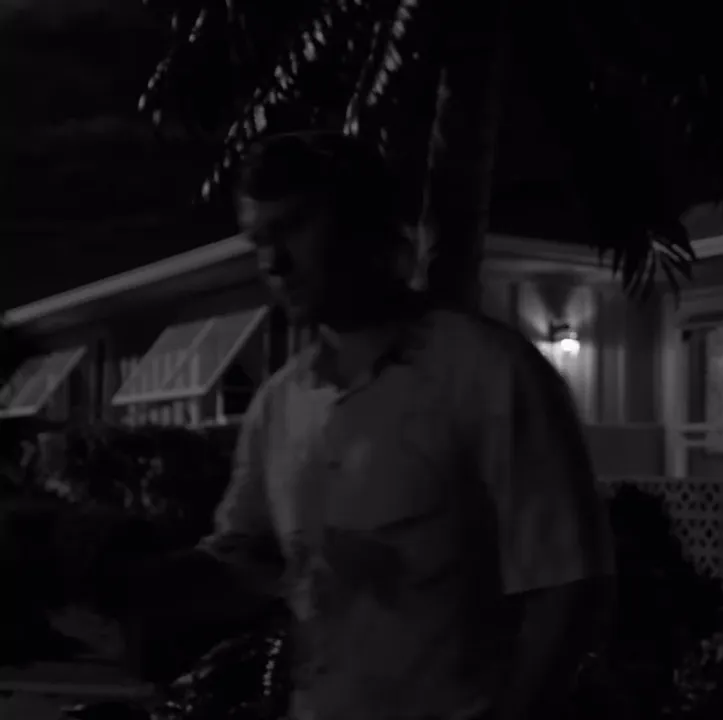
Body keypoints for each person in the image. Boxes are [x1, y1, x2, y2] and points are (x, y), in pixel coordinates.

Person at [145, 131, 615, 720]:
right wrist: (115, 578)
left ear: (362, 225)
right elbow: (242, 559)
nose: (273, 262)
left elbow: (568, 586)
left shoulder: (488, 375)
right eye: (259, 240)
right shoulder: (279, 404)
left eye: (294, 227)